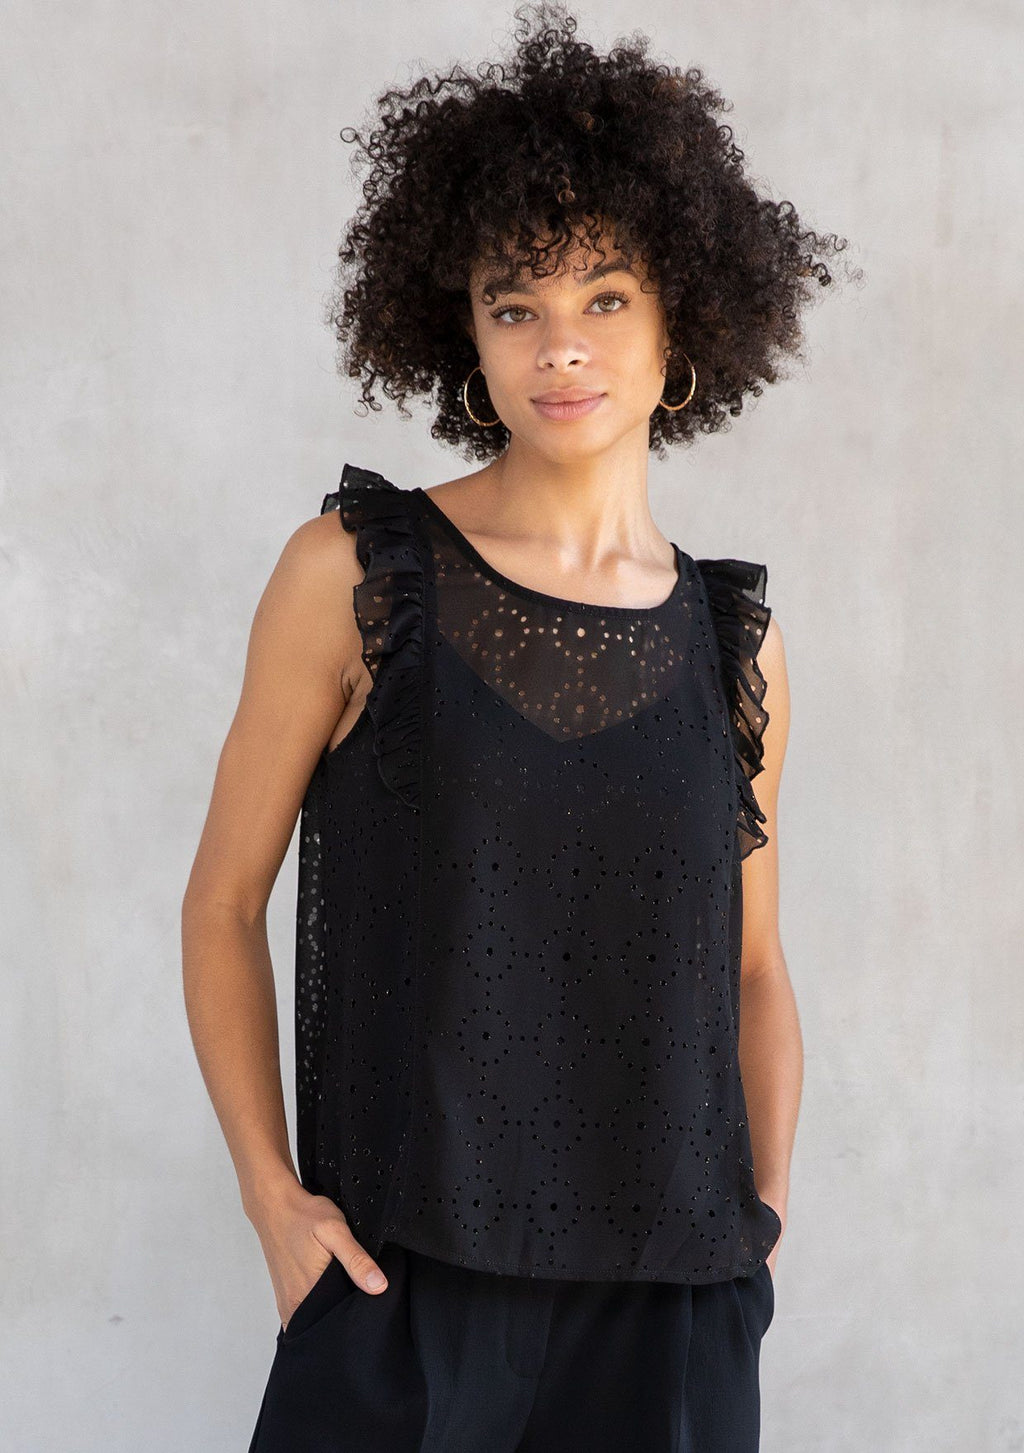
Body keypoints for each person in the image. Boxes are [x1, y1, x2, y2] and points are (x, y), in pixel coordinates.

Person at [182, 6, 848, 1448]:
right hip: (403, 1292)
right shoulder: (355, 577)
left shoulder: (735, 645)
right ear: (463, 334)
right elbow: (224, 902)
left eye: (605, 298)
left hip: (673, 1312)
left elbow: (752, 966)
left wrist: (761, 1224)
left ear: (680, 331)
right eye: (514, 304)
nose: (561, 348)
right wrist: (271, 1198)